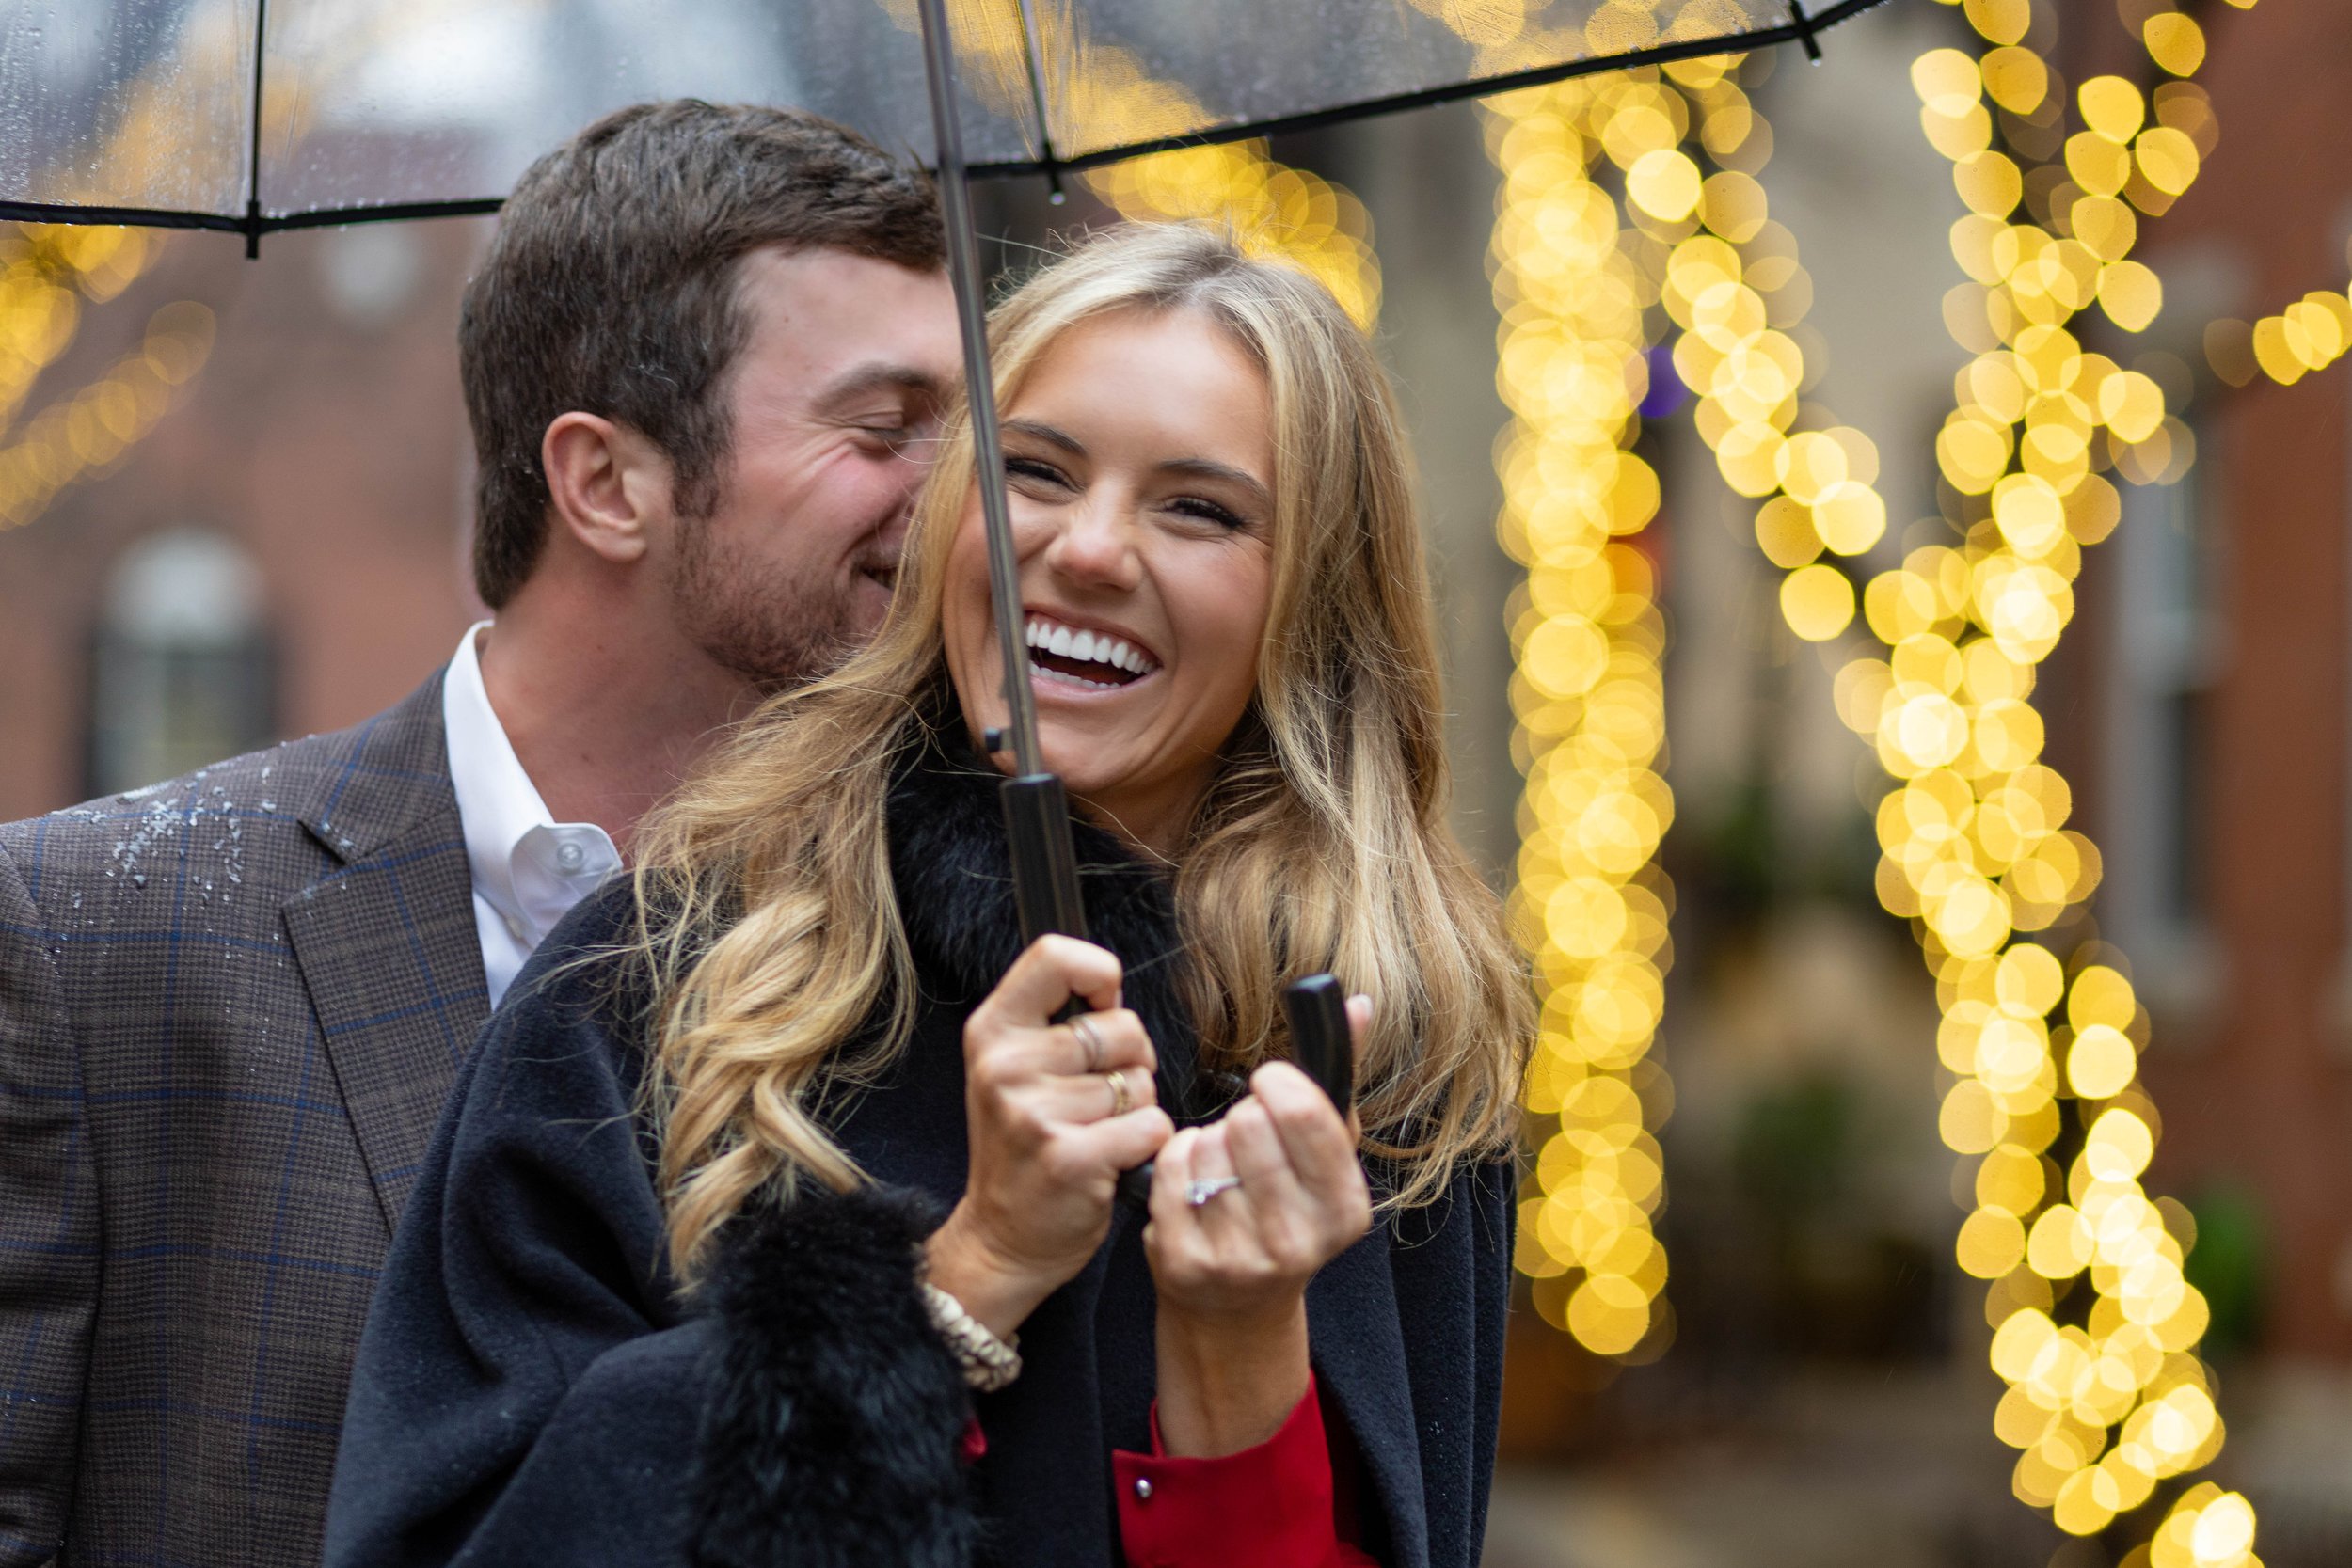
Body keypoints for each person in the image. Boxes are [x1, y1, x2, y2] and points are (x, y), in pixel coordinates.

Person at [325, 222, 1532, 1568]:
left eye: (1199, 509)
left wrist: (1238, 1346)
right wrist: (966, 1276)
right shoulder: (661, 987)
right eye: (1035, 472)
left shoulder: (1394, 1066)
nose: (1085, 550)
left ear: (1311, 597)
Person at [0, 102, 958, 1568]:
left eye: (978, 440)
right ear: (606, 482)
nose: (965, 503)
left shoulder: (979, 960)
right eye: (888, 430)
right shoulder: (90, 941)